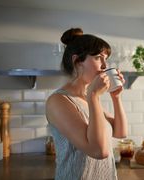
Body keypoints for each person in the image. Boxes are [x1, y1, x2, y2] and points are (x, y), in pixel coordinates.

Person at [46, 28, 128, 180]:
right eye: (98, 57)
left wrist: (116, 97)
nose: (105, 65)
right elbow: (99, 151)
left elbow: (120, 132)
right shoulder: (58, 101)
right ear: (77, 61)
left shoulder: (86, 98)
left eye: (106, 58)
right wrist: (94, 96)